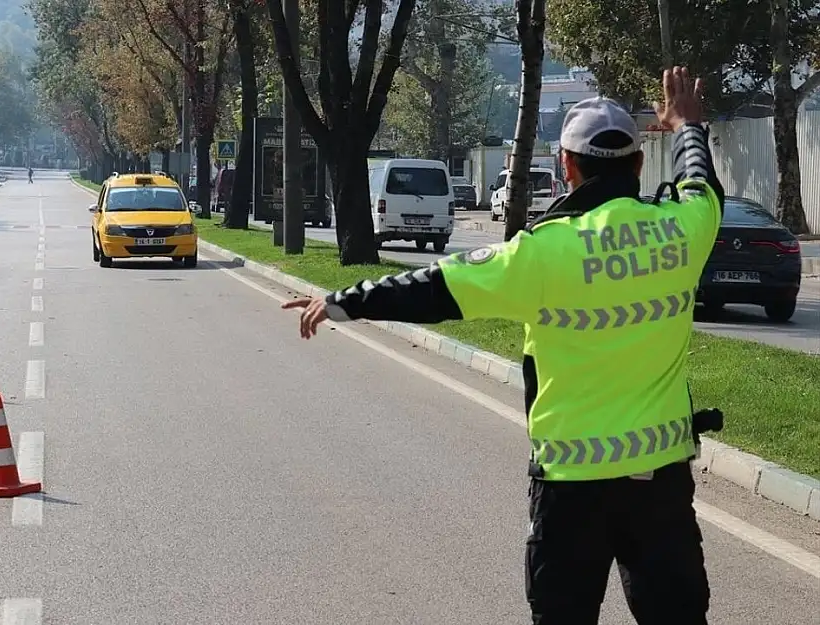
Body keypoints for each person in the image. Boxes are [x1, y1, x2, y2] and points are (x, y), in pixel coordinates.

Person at [281, 67, 724, 625]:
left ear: (567, 167)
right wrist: (688, 123)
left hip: (571, 489)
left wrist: (346, 300)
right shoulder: (682, 231)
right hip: (660, 485)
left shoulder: (541, 252)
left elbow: (433, 289)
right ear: (638, 164)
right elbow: (700, 181)